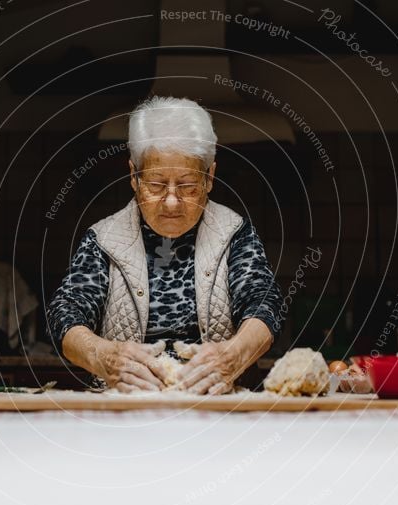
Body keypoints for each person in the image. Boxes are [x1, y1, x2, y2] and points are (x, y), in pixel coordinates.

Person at [47, 96, 283, 394]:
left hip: (219, 413)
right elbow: (65, 313)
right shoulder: (103, 239)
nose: (171, 201)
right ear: (134, 176)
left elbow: (265, 304)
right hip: (125, 416)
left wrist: (231, 358)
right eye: (157, 185)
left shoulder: (234, 233)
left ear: (209, 177)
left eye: (187, 185)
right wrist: (104, 357)